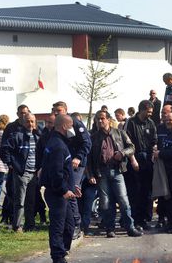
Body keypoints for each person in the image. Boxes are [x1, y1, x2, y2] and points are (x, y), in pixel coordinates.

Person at [88, 110, 140, 238]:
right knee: (106, 203)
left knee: (123, 200)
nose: (100, 121)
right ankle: (109, 229)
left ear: (108, 119)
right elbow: (88, 159)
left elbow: (132, 147)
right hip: (102, 173)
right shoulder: (93, 137)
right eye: (97, 119)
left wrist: (122, 153)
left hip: (117, 171)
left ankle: (130, 227)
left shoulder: (120, 133)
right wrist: (90, 175)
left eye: (102, 118)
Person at [39, 113, 80, 263]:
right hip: (57, 194)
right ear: (64, 126)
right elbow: (55, 173)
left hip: (63, 192)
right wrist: (64, 190)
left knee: (69, 226)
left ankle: (62, 259)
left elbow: (64, 170)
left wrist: (72, 187)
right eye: (71, 125)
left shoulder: (60, 142)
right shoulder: (57, 145)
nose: (73, 129)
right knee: (58, 228)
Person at [53, 101, 92, 240]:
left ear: (66, 109)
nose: (56, 112)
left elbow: (87, 143)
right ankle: (67, 223)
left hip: (76, 164)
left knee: (71, 191)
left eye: (59, 110)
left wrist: (78, 158)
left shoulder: (74, 123)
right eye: (54, 110)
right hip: (64, 163)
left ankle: (76, 224)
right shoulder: (55, 126)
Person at [0, 113, 40, 232]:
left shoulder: (38, 137)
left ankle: (30, 225)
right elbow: (5, 150)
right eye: (28, 121)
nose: (30, 124)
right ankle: (17, 226)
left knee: (31, 201)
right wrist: (11, 164)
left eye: (32, 121)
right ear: (23, 122)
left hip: (34, 173)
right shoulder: (16, 136)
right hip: (21, 173)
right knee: (20, 201)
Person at [124, 100, 157, 231]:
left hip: (148, 160)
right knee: (135, 191)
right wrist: (133, 160)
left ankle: (145, 219)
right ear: (142, 110)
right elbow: (127, 143)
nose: (150, 114)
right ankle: (136, 220)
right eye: (148, 112)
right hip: (136, 159)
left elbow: (154, 139)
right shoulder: (131, 122)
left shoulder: (151, 123)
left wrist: (155, 149)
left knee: (147, 191)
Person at [0, 105, 31, 226]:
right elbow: (5, 147)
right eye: (21, 113)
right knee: (11, 192)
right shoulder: (11, 127)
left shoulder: (31, 126)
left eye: (26, 113)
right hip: (15, 166)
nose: (24, 115)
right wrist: (9, 163)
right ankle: (6, 217)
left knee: (30, 195)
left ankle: (30, 219)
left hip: (29, 167)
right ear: (17, 114)